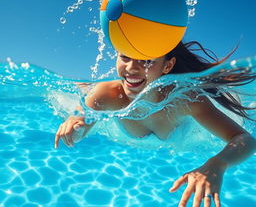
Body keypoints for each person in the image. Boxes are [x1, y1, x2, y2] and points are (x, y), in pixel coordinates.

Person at [55, 40, 256, 207]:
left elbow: (244, 138)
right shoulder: (106, 94)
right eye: (124, 56)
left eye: (146, 60)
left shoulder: (183, 99)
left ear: (167, 66)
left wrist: (217, 164)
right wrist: (76, 125)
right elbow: (84, 119)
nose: (131, 68)